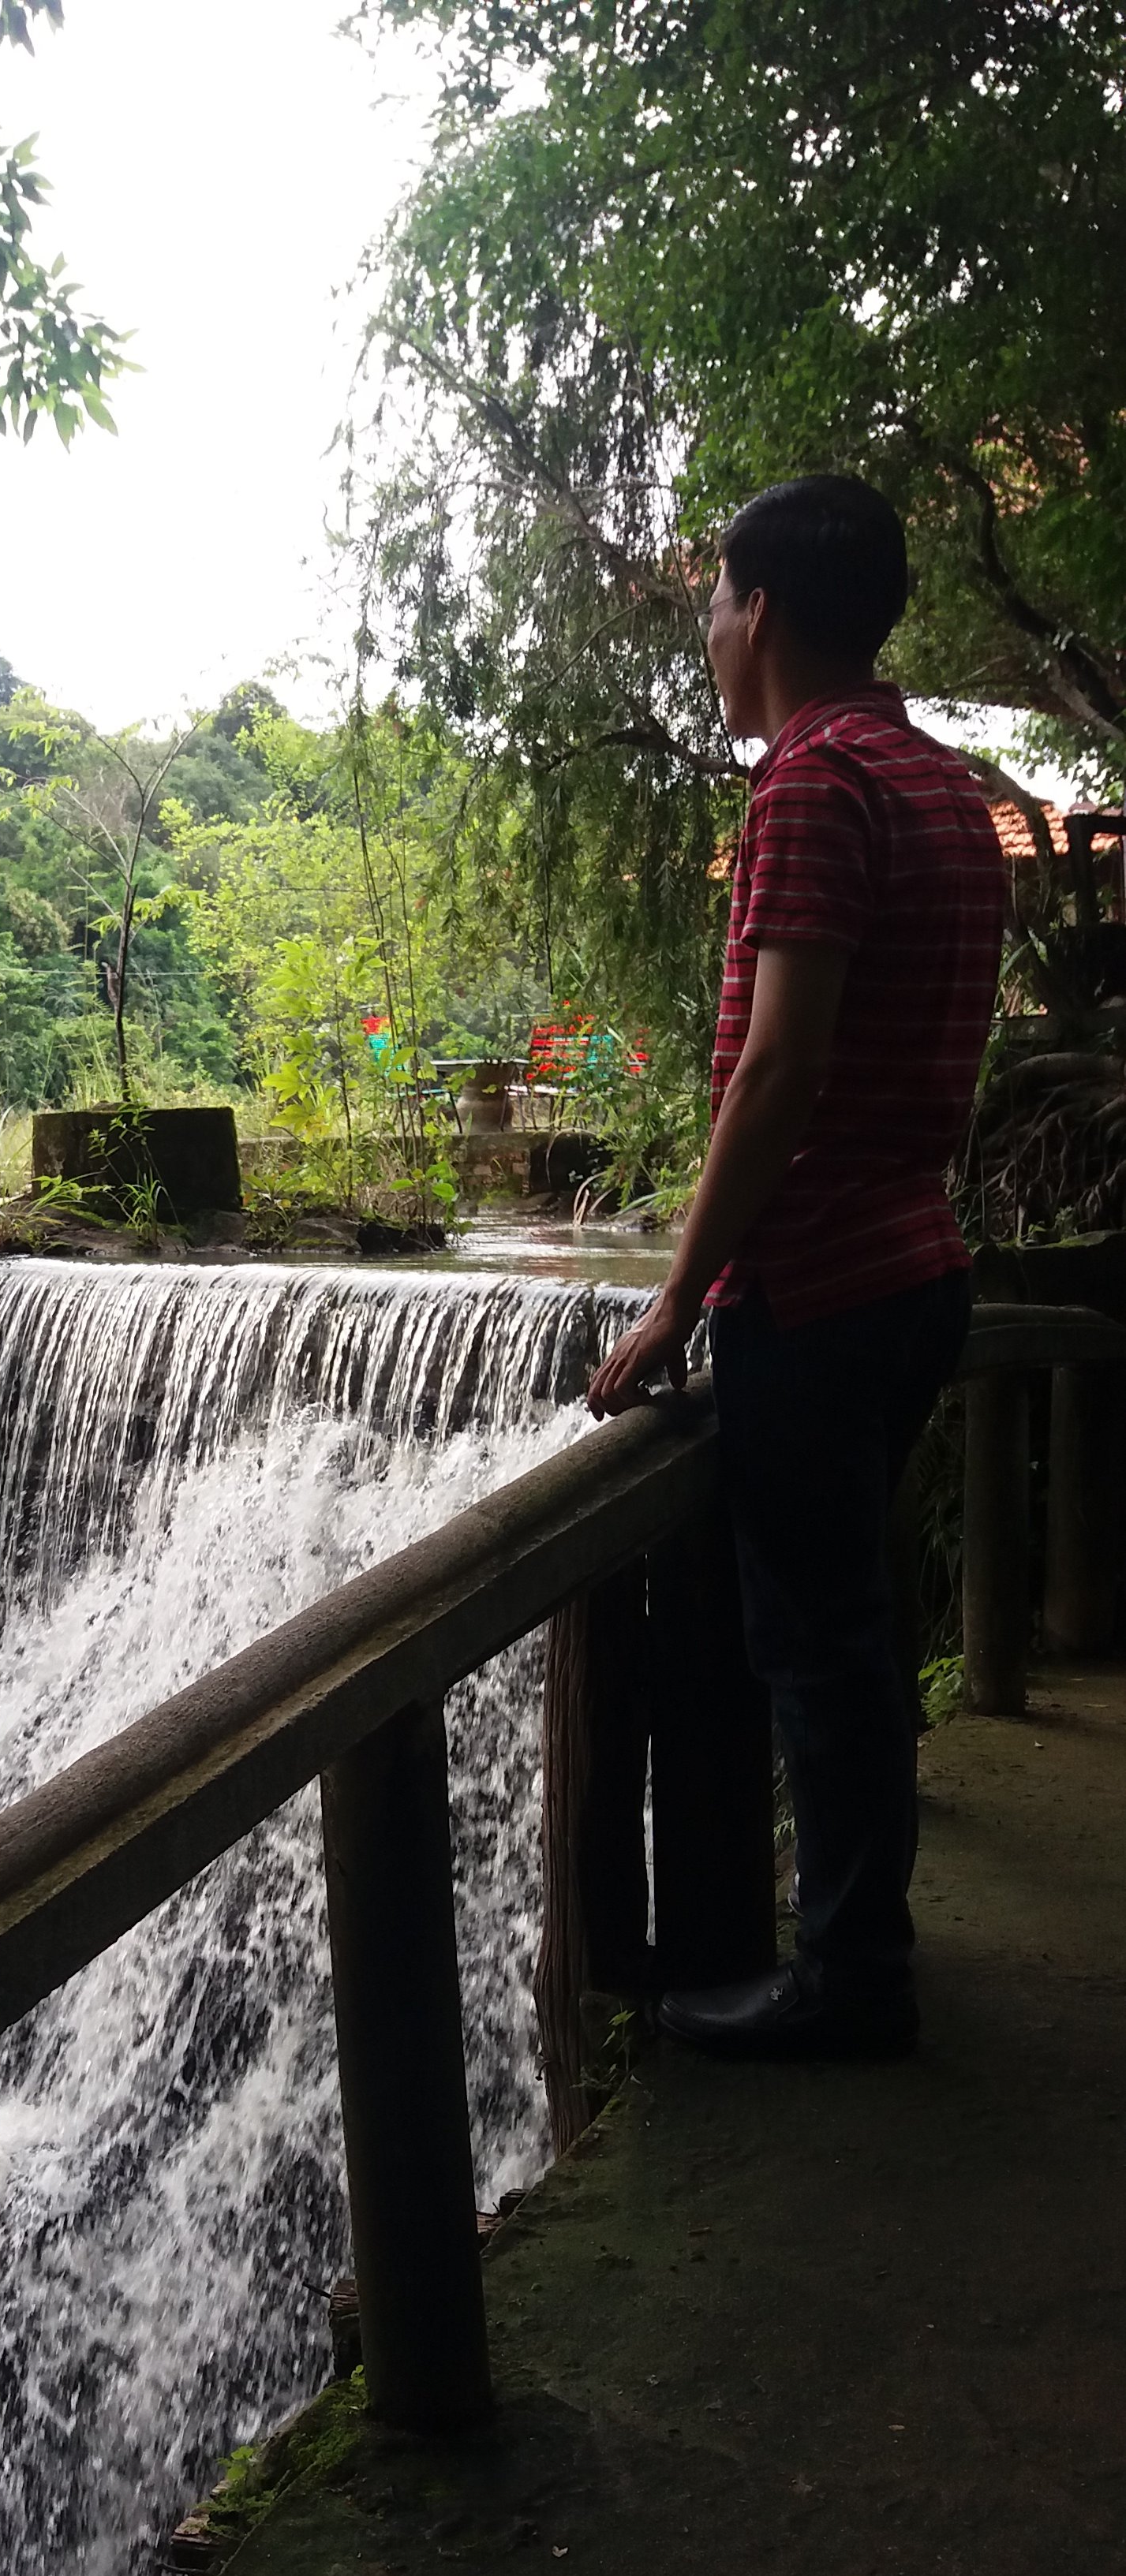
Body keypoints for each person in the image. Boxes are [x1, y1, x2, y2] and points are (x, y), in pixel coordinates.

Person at [586, 474, 1006, 2059]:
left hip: (819, 1288)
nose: (705, 632)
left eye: (711, 602)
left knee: (816, 1651)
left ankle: (851, 1980)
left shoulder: (813, 785)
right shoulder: (940, 782)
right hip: (917, 1266)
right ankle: (858, 1942)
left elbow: (778, 1069)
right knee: (852, 1622)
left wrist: (678, 1295)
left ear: (758, 611)